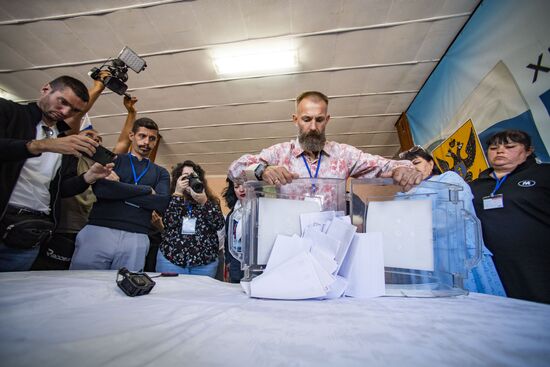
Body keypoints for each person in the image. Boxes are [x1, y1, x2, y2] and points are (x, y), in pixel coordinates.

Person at [0, 75, 114, 271]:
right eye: (63, 102)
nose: (66, 112)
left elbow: (63, 189)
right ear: (46, 89)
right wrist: (40, 145)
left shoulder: (64, 142)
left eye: (75, 110)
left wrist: (89, 177)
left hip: (31, 230)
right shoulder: (9, 112)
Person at [32, 78, 139, 270]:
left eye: (98, 139)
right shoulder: (69, 155)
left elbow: (123, 143)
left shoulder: (101, 165)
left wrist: (131, 113)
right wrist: (99, 87)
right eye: (89, 136)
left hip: (90, 229)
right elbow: (74, 118)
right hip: (63, 228)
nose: (95, 141)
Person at [228, 91, 421, 190]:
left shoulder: (343, 154)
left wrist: (402, 169)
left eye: (319, 119)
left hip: (331, 243)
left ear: (327, 120)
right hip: (290, 242)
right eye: (306, 119)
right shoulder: (279, 153)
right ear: (295, 120)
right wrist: (263, 170)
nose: (313, 127)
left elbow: (386, 166)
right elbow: (234, 170)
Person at [399, 146, 506, 296]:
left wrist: (413, 225)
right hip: (423, 259)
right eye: (406, 166)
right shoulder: (402, 193)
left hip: (457, 254)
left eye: (416, 162)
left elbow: (451, 214)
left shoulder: (448, 179)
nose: (412, 168)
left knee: (472, 301)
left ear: (430, 164)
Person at [69, 117, 170, 271]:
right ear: (132, 136)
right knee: (84, 284)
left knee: (127, 289)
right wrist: (147, 190)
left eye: (152, 138)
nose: (146, 142)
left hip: (137, 236)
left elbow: (161, 202)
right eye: (142, 136)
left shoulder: (161, 172)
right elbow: (102, 190)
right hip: (99, 230)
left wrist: (119, 188)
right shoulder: (113, 159)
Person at [469, 130, 550, 303]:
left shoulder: (544, 174)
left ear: (528, 151)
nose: (500, 151)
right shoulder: (473, 186)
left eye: (509, 146)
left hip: (538, 262)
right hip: (492, 266)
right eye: (493, 148)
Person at [157, 160, 225, 277]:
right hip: (172, 260)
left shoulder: (210, 201)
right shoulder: (169, 198)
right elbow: (169, 223)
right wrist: (178, 193)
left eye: (193, 177)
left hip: (204, 263)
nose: (189, 181)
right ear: (177, 180)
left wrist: (204, 202)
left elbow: (218, 224)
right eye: (185, 177)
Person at [222, 177, 246, 283]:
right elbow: (228, 240)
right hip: (236, 264)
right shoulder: (232, 214)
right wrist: (228, 262)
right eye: (236, 186)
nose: (241, 189)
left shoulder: (262, 209)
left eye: (244, 185)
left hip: (254, 265)